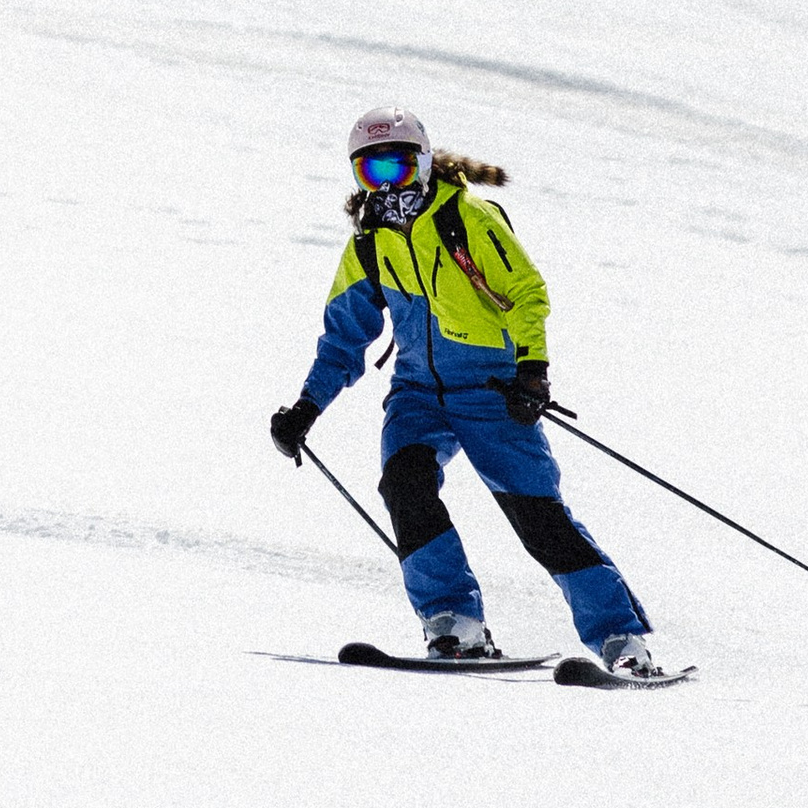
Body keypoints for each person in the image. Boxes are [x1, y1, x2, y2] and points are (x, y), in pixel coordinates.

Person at [270, 106, 660, 677]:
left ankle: (624, 641)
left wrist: (532, 373)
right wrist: (306, 407)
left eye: (399, 169)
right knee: (405, 486)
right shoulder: (368, 245)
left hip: (492, 391)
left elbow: (527, 292)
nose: (387, 185)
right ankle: (454, 624)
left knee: (539, 521)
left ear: (425, 164)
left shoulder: (469, 218)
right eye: (372, 173)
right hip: (417, 393)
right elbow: (343, 335)